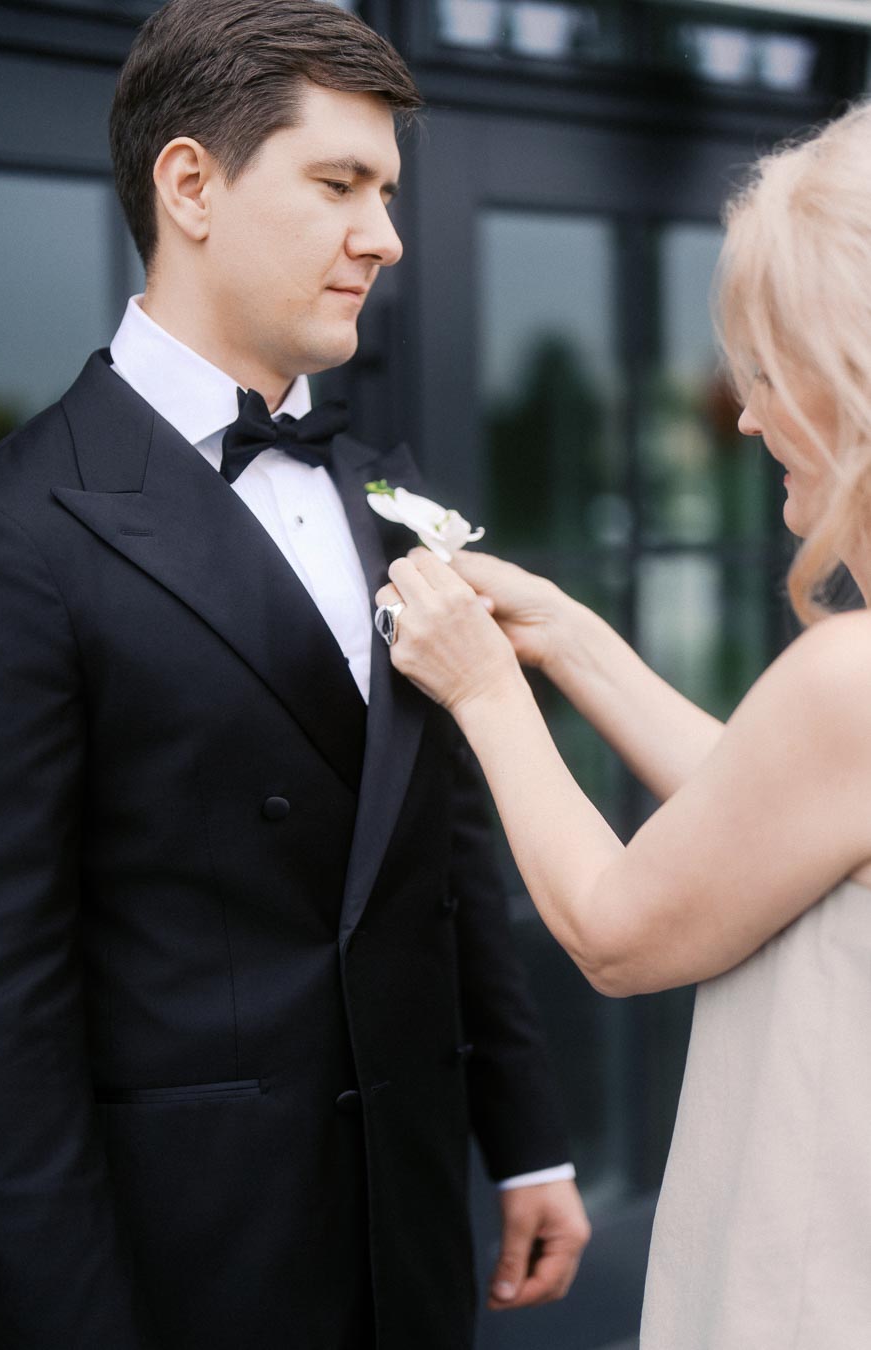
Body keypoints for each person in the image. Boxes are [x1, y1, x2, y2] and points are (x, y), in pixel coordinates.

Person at [0, 2, 591, 1347]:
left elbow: (441, 847)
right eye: (339, 186)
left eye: (386, 191)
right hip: (189, 1255)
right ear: (189, 184)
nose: (385, 237)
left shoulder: (391, 484)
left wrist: (526, 1138)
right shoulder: (13, 527)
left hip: (414, 1223)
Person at [375, 101, 871, 1347]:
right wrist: (574, 640)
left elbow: (616, 932)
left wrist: (486, 689)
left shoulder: (846, 679)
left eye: (767, 368)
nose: (748, 418)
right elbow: (778, 829)